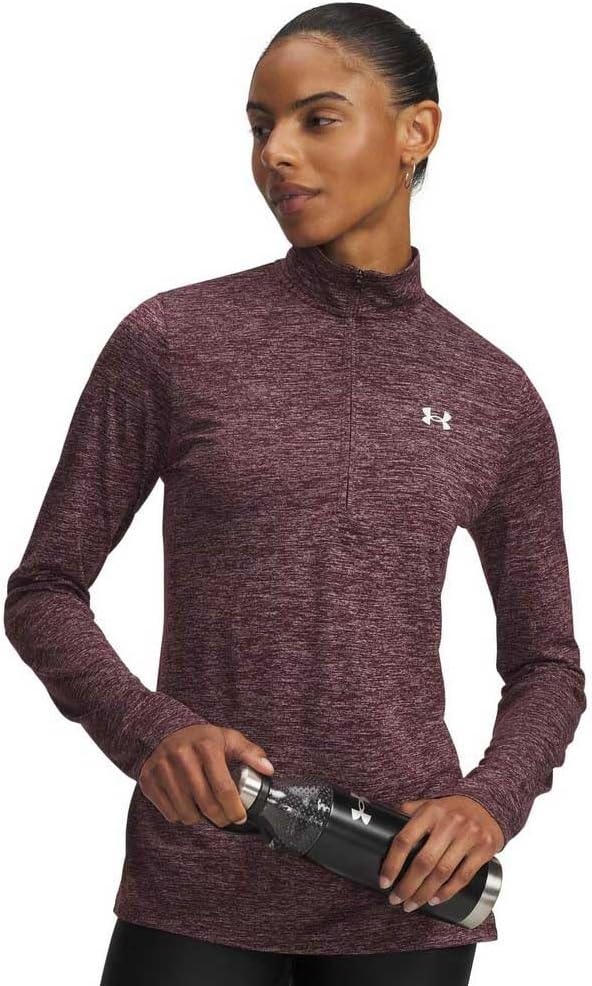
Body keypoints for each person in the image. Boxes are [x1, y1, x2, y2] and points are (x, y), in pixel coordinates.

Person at [4, 4, 586, 985]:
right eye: (258, 125)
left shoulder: (494, 393)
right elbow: (44, 589)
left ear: (417, 131)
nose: (275, 153)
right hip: (197, 884)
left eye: (317, 119)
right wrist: (151, 731)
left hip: (405, 896)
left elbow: (547, 665)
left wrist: (487, 803)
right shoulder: (172, 340)